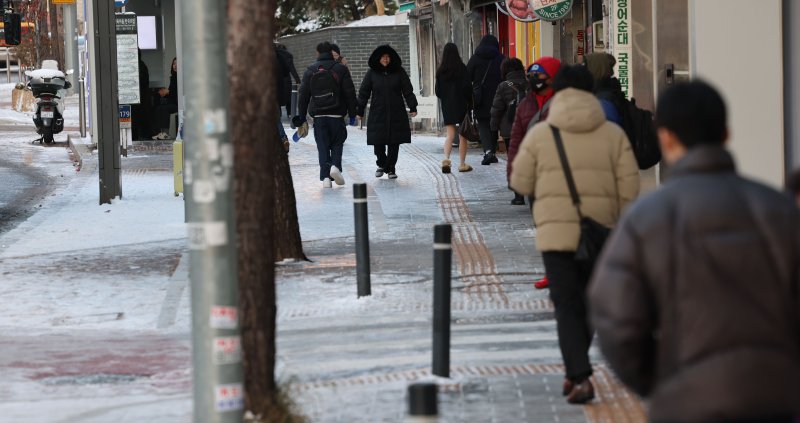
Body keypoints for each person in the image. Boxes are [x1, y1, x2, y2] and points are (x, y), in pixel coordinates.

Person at [589, 80, 800, 423]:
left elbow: (616, 320)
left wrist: (658, 381)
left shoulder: (646, 220)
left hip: (686, 403)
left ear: (667, 137)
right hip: (776, 398)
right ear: (726, 134)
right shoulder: (779, 210)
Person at [510, 65, 639, 405]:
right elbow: (630, 191)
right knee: (589, 304)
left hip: (556, 236)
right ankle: (577, 371)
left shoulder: (540, 133)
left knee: (566, 306)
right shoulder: (613, 135)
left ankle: (578, 375)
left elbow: (520, 183)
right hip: (602, 234)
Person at [506, 56, 561, 289]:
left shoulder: (565, 102)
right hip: (536, 177)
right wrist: (513, 173)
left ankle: (566, 270)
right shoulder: (525, 103)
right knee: (542, 225)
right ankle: (552, 270)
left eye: (540, 76)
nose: (535, 80)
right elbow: (516, 140)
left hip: (561, 174)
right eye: (532, 76)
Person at [295, 42, 358, 189]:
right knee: (337, 143)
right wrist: (353, 114)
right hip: (337, 115)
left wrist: (302, 117)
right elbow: (350, 93)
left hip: (319, 117)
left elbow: (303, 96)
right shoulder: (341, 69)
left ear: (317, 53)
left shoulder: (310, 70)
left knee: (322, 147)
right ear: (331, 52)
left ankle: (325, 179)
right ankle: (335, 166)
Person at [357, 44, 418, 180]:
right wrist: (359, 110)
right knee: (378, 141)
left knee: (394, 142)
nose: (385, 59)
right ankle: (381, 163)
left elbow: (407, 90)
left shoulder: (399, 71)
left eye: (387, 57)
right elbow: (363, 93)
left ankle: (391, 168)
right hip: (378, 112)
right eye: (383, 57)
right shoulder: (372, 73)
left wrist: (413, 106)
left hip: (396, 111)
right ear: (378, 58)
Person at [490, 57, 527, 203]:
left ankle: (519, 195)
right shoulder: (530, 84)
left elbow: (496, 110)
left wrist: (493, 131)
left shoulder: (503, 86)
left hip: (509, 130)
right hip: (529, 128)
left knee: (514, 160)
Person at [435, 42, 473, 174]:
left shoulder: (440, 71)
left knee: (450, 135)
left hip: (447, 106)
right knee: (463, 135)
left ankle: (446, 160)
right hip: (461, 105)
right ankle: (462, 164)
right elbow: (468, 88)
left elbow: (438, 92)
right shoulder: (462, 68)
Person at [466, 35, 505, 165]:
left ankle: (488, 151)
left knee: (483, 124)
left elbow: (467, 77)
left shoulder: (475, 59)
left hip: (480, 98)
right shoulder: (501, 59)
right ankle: (492, 151)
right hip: (499, 97)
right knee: (494, 124)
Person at [583, 52, 623, 126]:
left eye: (586, 67)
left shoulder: (604, 99)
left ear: (596, 70)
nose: (583, 72)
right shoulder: (605, 91)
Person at [152, 57, 178, 140]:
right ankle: (162, 132)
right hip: (173, 101)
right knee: (159, 107)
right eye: (174, 64)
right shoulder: (173, 77)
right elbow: (172, 92)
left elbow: (177, 92)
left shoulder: (180, 77)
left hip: (179, 103)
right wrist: (164, 93)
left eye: (177, 64)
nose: (175, 66)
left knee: (163, 108)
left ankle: (166, 133)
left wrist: (167, 92)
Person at [275, 43, 301, 119]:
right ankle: (289, 114)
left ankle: (278, 115)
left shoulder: (275, 55)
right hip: (286, 79)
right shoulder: (288, 55)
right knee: (288, 98)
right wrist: (298, 80)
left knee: (277, 98)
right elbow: (292, 69)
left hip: (277, 79)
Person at [132, 49, 152, 141]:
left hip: (139, 98)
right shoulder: (142, 65)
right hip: (142, 98)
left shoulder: (138, 66)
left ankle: (137, 137)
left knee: (136, 119)